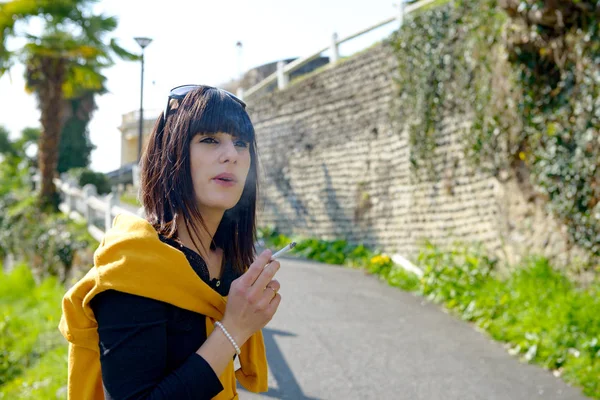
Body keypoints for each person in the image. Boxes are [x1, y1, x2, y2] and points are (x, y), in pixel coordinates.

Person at [59, 85, 282, 400]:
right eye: (209, 139)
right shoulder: (136, 266)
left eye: (241, 142)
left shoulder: (232, 262)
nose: (231, 154)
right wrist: (234, 329)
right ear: (171, 154)